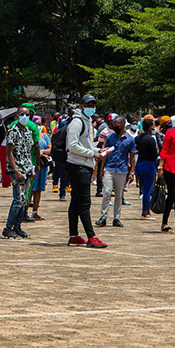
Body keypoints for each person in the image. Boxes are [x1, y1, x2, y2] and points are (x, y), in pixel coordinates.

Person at [65, 94, 107, 248]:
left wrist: (98, 150)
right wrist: (92, 154)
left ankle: (74, 236)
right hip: (77, 166)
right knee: (84, 202)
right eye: (88, 104)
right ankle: (91, 236)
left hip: (84, 164)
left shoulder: (87, 121)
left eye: (93, 104)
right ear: (82, 105)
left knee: (76, 202)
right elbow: (73, 146)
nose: (91, 107)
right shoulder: (77, 122)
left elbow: (85, 144)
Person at [3, 107, 41, 239]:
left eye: (27, 114)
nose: (25, 116)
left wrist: (32, 168)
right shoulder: (13, 131)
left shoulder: (28, 131)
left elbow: (29, 151)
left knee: (24, 200)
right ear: (17, 116)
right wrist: (16, 170)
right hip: (17, 170)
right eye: (22, 114)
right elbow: (9, 153)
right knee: (18, 199)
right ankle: (8, 228)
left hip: (27, 169)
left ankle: (17, 227)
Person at [97, 116, 137, 228]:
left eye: (116, 124)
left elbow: (132, 157)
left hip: (122, 169)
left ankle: (116, 218)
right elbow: (106, 153)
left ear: (123, 124)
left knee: (119, 195)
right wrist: (101, 169)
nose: (114, 126)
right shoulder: (110, 138)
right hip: (109, 168)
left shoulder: (130, 139)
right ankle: (103, 217)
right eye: (113, 124)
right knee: (107, 192)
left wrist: (132, 172)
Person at [135, 118, 158, 221]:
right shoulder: (151, 139)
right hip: (148, 164)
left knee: (144, 188)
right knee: (148, 190)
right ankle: (145, 212)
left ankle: (147, 210)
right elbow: (154, 154)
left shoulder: (138, 138)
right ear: (150, 127)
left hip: (139, 163)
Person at [30, 117, 51, 220]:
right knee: (31, 189)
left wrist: (42, 152)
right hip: (33, 164)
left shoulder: (45, 136)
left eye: (39, 124)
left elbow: (50, 148)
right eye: (36, 124)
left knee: (39, 189)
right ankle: (24, 211)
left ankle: (35, 211)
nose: (38, 127)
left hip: (43, 165)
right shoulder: (30, 135)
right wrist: (41, 153)